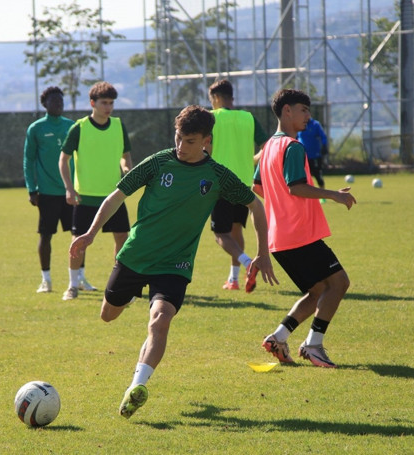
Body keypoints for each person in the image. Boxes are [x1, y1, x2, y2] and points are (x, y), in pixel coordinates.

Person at [70, 105, 277, 419]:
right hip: (136, 256)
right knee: (108, 315)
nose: (182, 146)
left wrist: (262, 253)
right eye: (179, 138)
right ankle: (128, 298)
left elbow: (256, 206)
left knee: (160, 320)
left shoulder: (217, 175)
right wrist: (90, 233)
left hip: (175, 264)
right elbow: (116, 195)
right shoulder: (158, 162)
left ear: (206, 141)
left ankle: (136, 387)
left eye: (190, 141)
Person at [254, 89, 356, 368]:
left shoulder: (267, 148)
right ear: (287, 110)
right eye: (303, 110)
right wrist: (333, 194)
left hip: (280, 238)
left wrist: (281, 206)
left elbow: (258, 188)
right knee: (339, 283)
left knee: (316, 291)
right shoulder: (293, 147)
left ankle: (278, 337)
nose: (308, 117)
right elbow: (295, 187)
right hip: (299, 235)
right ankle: (314, 345)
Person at [59, 81, 133, 301]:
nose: (108, 107)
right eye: (104, 103)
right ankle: (72, 286)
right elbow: (64, 160)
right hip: (85, 197)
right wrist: (69, 189)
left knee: (123, 237)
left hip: (114, 195)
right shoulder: (79, 127)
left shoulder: (119, 125)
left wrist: (127, 168)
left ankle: (118, 285)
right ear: (93, 103)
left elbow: (125, 155)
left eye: (111, 103)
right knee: (79, 241)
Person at [206, 79, 270, 292]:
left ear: (215, 98)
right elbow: (267, 146)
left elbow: (207, 150)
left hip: (220, 184)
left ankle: (247, 262)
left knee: (220, 235)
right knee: (235, 229)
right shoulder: (248, 118)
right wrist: (251, 160)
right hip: (244, 183)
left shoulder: (211, 118)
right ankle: (233, 280)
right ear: (231, 97)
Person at [23, 86, 76, 294]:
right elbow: (28, 160)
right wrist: (31, 188)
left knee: (78, 235)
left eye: (61, 102)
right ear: (45, 104)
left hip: (71, 191)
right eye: (54, 102)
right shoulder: (36, 128)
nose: (58, 105)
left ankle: (79, 278)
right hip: (46, 192)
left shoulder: (72, 126)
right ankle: (46, 280)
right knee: (45, 236)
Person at [297, 117, 329, 189]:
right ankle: (306, 197)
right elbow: (296, 137)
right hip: (303, 156)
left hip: (315, 155)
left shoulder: (315, 124)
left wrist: (324, 145)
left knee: (318, 175)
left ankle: (322, 195)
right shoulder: (299, 124)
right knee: (303, 177)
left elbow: (323, 137)